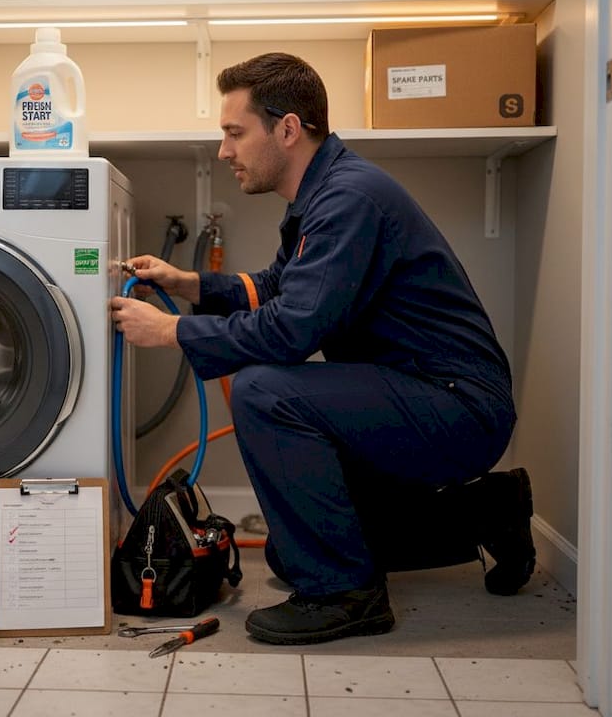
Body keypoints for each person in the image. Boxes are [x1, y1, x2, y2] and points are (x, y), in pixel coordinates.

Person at [110, 52, 535, 646]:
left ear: (287, 128)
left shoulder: (348, 199)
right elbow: (276, 287)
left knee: (263, 388)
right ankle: (488, 513)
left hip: (457, 405)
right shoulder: (320, 197)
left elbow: (292, 329)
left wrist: (171, 331)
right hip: (415, 393)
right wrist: (189, 285)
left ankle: (347, 596)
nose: (225, 151)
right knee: (291, 553)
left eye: (235, 133)